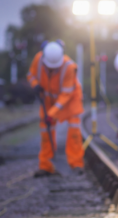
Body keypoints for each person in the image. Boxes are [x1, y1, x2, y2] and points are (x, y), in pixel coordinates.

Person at [27, 40, 84, 176]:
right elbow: (30, 75)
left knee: (74, 132)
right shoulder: (38, 59)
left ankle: (76, 164)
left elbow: (66, 94)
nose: (52, 69)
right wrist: (35, 84)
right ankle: (46, 165)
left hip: (70, 101)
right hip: (47, 100)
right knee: (45, 132)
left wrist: (51, 114)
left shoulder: (69, 67)